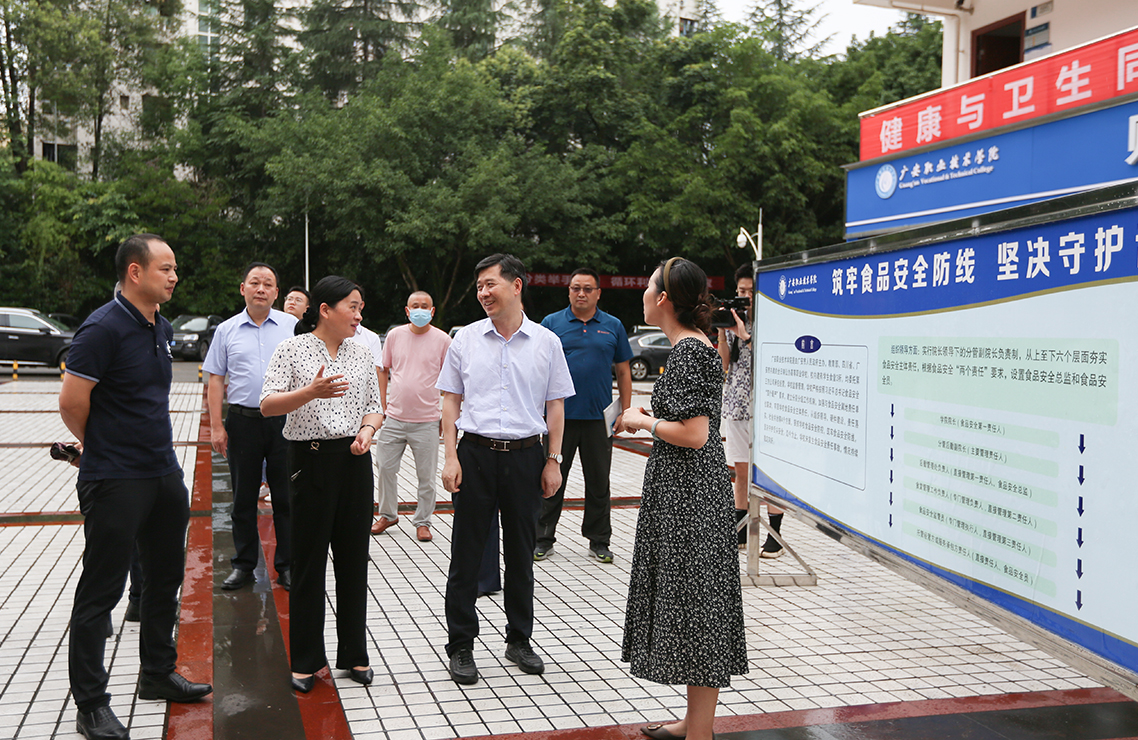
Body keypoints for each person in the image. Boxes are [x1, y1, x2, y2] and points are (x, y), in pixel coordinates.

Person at [58, 234, 212, 740]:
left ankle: (157, 673)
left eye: (174, 268)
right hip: (115, 477)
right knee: (101, 591)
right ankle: (90, 704)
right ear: (135, 272)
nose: (174, 276)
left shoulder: (160, 326)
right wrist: (102, 446)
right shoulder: (102, 328)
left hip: (162, 473)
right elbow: (71, 402)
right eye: (165, 268)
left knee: (164, 580)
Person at [620, 257, 747, 740]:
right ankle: (694, 723)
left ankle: (700, 732)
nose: (644, 294)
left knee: (700, 607)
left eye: (649, 286)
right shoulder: (693, 347)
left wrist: (643, 421)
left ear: (663, 299)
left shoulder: (689, 352)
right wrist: (656, 417)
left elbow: (694, 435)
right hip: (688, 492)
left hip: (691, 498)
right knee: (697, 605)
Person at [436, 253, 574, 685]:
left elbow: (555, 406)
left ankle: (519, 639)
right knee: (466, 554)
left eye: (490, 284)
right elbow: (450, 400)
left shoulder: (546, 342)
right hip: (474, 455)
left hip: (526, 456)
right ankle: (461, 644)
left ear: (516, 286)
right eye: (479, 286)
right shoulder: (465, 339)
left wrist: (553, 461)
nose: (483, 293)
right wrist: (450, 456)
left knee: (521, 554)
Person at [260, 276, 384, 693]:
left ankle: (354, 655)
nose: (359, 315)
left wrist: (367, 431)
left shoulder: (361, 352)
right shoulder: (291, 349)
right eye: (353, 306)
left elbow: (375, 406)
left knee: (354, 560)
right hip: (308, 462)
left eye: (361, 307)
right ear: (325, 310)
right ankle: (306, 660)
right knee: (309, 564)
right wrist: (309, 391)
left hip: (354, 462)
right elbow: (267, 405)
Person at [205, 263, 297, 592]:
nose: (261, 289)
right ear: (242, 288)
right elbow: (216, 379)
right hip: (242, 422)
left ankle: (287, 565)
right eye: (254, 283)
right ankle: (243, 565)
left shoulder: (293, 327)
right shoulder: (226, 330)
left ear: (276, 292)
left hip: (285, 422)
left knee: (286, 498)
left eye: (268, 284)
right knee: (243, 499)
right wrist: (217, 426)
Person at [536, 268, 632, 563]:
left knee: (599, 482)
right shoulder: (551, 324)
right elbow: (537, 368)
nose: (581, 293)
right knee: (550, 479)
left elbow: (624, 371)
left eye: (588, 289)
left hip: (598, 419)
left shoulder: (613, 325)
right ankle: (542, 538)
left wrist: (625, 411)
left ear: (598, 293)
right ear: (568, 291)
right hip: (559, 419)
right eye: (576, 288)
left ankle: (599, 540)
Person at [371, 290, 451, 541]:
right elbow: (383, 369)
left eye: (424, 306)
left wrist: (445, 415)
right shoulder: (395, 336)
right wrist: (382, 403)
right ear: (407, 311)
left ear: (432, 311)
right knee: (385, 467)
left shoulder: (443, 340)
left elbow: (450, 380)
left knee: (426, 476)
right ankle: (388, 514)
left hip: (427, 420)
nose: (420, 310)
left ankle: (423, 520)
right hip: (394, 417)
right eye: (415, 306)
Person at [718, 264, 785, 556]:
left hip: (765, 408)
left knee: (768, 472)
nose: (744, 297)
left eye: (749, 291)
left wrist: (747, 336)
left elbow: (773, 361)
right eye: (740, 291)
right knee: (741, 471)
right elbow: (724, 364)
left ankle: (775, 536)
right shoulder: (734, 322)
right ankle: (741, 531)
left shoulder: (772, 322)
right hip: (736, 405)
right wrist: (723, 332)